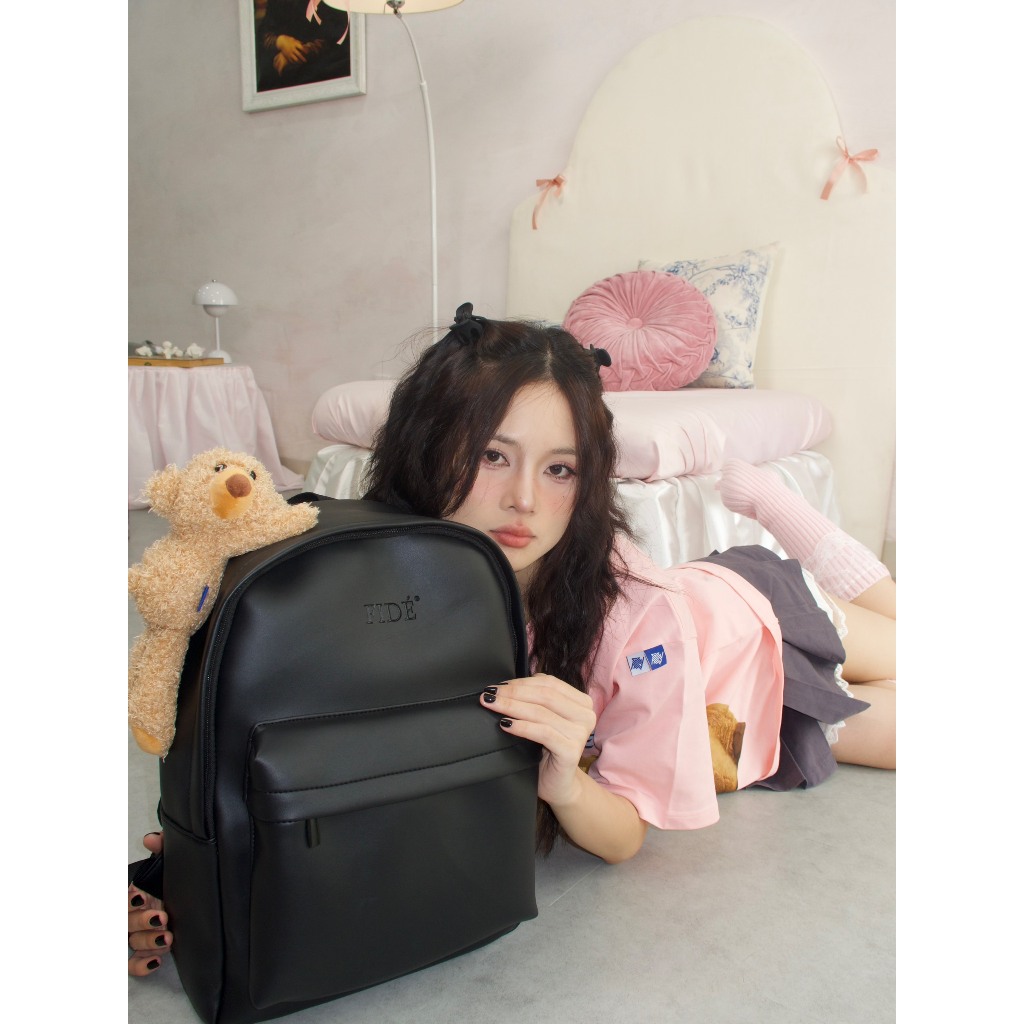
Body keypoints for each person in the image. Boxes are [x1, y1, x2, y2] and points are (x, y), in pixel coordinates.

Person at [129, 304, 895, 975]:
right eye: (493, 455)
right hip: (714, 708)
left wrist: (564, 782)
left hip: (751, 627)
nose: (524, 499)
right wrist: (193, 864)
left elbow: (624, 837)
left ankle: (785, 515)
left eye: (561, 469)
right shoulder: (364, 584)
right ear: (426, 447)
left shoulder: (636, 612)